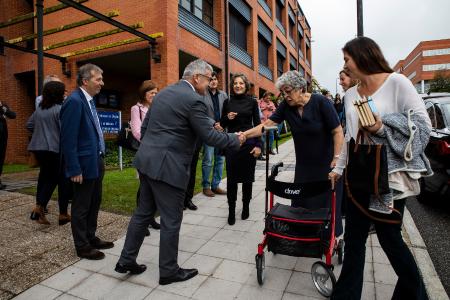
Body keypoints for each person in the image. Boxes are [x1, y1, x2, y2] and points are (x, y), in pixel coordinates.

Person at [115, 59, 243, 285]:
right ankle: (168, 271)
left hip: (147, 162)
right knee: (172, 219)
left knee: (143, 213)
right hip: (168, 167)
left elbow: (144, 129)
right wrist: (235, 139)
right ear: (196, 78)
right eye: (208, 78)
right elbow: (209, 136)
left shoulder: (163, 94)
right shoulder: (194, 99)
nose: (210, 82)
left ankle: (126, 260)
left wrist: (155, 148)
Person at [330, 37, 430, 300]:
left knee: (390, 241)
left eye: (346, 59)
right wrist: (338, 169)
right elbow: (351, 139)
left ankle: (414, 294)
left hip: (389, 180)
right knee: (353, 241)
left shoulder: (397, 83)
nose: (344, 65)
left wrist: (381, 127)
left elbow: (423, 128)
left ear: (362, 56)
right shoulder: (351, 94)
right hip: (358, 177)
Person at [243, 71, 344, 236]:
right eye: (283, 92)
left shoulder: (321, 102)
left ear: (301, 88)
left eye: (288, 91)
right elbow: (267, 125)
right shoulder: (286, 107)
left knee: (327, 204)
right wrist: (244, 135)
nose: (286, 96)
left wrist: (337, 159)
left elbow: (337, 131)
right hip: (304, 166)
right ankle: (305, 238)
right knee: (301, 202)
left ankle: (328, 238)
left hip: (327, 164)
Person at [60, 63, 114, 260]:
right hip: (82, 165)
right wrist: (74, 168)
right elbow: (68, 139)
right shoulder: (74, 101)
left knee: (94, 202)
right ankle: (82, 246)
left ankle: (91, 237)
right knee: (82, 206)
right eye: (98, 79)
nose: (102, 83)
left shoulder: (89, 101)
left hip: (95, 160)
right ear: (85, 81)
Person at [27, 81, 71, 226]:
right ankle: (40, 208)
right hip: (55, 149)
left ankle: (55, 212)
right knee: (56, 179)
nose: (66, 93)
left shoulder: (40, 108)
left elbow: (29, 125)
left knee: (45, 177)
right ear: (58, 93)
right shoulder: (60, 109)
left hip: (39, 149)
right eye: (64, 91)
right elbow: (65, 131)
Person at [220, 74, 262, 225]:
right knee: (232, 180)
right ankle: (231, 210)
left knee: (247, 179)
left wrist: (259, 145)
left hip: (249, 144)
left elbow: (258, 125)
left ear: (246, 85)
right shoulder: (227, 101)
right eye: (235, 83)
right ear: (232, 86)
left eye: (241, 83)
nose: (238, 85)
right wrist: (227, 118)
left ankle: (246, 206)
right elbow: (221, 123)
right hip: (232, 144)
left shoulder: (252, 102)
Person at [130, 80, 160, 230]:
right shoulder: (136, 109)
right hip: (145, 151)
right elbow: (136, 132)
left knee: (154, 187)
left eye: (156, 93)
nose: (154, 95)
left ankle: (151, 218)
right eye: (151, 93)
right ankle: (141, 223)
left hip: (158, 152)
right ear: (144, 93)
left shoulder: (158, 108)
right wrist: (153, 140)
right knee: (143, 187)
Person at [201, 71, 228, 197]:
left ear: (218, 81)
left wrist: (223, 123)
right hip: (209, 131)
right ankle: (206, 186)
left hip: (222, 131)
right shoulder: (202, 94)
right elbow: (201, 113)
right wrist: (213, 123)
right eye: (211, 79)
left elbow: (227, 112)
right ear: (208, 81)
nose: (213, 81)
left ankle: (216, 185)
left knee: (220, 159)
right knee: (208, 160)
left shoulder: (224, 95)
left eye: (215, 79)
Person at [0, 101, 16, 190]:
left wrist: (4, 109)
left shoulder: (3, 105)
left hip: (2, 138)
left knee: (1, 159)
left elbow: (13, 115)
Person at [258, 92, 276, 156]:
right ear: (264, 97)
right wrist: (265, 108)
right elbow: (257, 110)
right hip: (263, 122)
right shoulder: (260, 102)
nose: (269, 99)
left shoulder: (271, 103)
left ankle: (270, 149)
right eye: (267, 98)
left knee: (271, 136)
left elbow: (275, 110)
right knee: (264, 137)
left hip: (270, 122)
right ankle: (264, 150)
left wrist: (272, 109)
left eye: (269, 98)